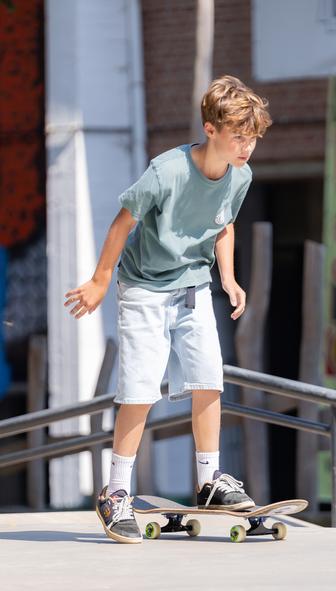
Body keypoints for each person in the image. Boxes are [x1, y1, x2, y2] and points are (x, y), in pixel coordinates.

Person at [64, 75, 272, 543]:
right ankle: (116, 492)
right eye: (239, 136)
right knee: (140, 389)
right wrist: (100, 280)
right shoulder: (167, 171)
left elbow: (224, 226)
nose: (247, 147)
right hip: (143, 290)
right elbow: (123, 223)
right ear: (211, 129)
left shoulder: (241, 176)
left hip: (194, 288)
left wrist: (229, 277)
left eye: (253, 138)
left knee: (209, 379)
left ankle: (208, 481)